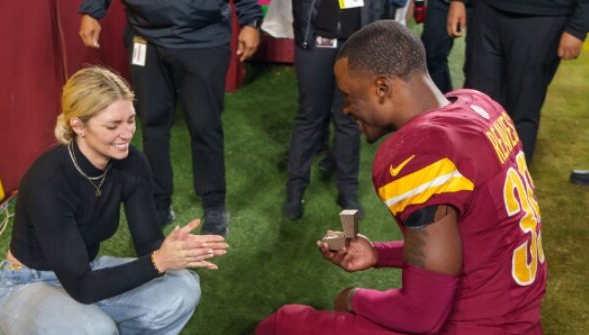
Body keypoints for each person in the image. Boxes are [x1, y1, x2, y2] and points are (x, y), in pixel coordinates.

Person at [257, 21, 546, 334]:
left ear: (381, 87)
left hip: (475, 325)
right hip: (521, 315)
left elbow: (421, 316)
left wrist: (353, 298)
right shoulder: (480, 106)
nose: (345, 110)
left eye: (349, 96)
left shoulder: (420, 153)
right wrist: (378, 253)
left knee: (286, 323)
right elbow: (467, 242)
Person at [0, 67, 228, 335]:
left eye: (131, 120)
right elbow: (83, 287)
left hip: (87, 271)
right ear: (78, 125)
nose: (127, 133)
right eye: (113, 125)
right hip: (27, 284)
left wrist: (174, 250)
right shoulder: (48, 180)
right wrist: (159, 261)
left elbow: (148, 245)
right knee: (96, 330)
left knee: (184, 288)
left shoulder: (132, 163)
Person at [78, 0, 264, 235]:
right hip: (145, 37)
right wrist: (92, 11)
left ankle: (214, 204)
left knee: (204, 127)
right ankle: (159, 203)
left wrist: (251, 21)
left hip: (202, 39)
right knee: (152, 125)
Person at [283, 0, 390, 220]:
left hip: (358, 45)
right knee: (309, 117)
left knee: (349, 120)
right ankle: (295, 193)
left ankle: (347, 192)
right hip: (315, 39)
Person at [447, 0, 588, 165]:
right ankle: (472, 178)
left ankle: (513, 183)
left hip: (543, 17)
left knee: (523, 107)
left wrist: (578, 27)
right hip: (486, 11)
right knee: (476, 103)